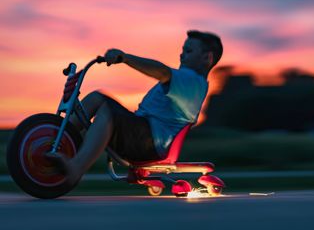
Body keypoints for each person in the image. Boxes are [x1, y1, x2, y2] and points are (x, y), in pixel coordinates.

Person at [47, 30, 223, 185]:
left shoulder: (192, 81)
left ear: (206, 58)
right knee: (97, 98)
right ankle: (54, 142)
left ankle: (75, 168)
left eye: (189, 51)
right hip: (143, 136)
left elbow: (162, 72)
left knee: (108, 111)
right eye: (183, 50)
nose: (182, 55)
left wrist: (125, 58)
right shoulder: (186, 81)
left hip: (150, 143)